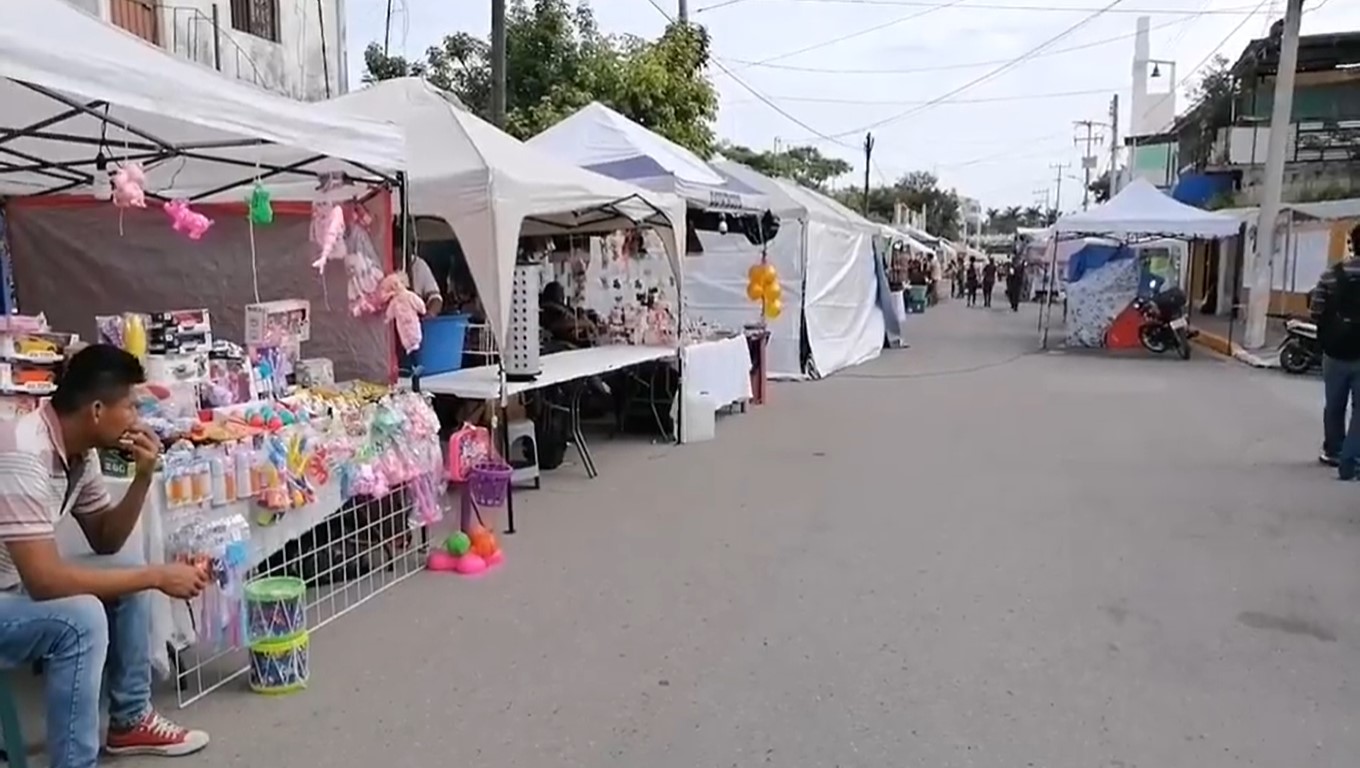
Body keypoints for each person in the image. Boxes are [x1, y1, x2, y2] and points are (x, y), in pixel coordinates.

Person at [0, 345, 210, 768]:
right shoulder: (24, 452)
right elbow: (46, 581)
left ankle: (130, 720)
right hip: (11, 592)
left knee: (126, 574)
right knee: (82, 619)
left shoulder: (80, 454)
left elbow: (105, 540)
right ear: (97, 409)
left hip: (13, 586)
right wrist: (157, 577)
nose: (137, 418)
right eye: (130, 406)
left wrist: (143, 476)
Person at [1311, 224, 1360, 476]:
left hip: (1336, 350)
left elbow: (1316, 311)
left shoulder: (1332, 274)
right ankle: (1352, 460)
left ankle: (1333, 451)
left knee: (1334, 404)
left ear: (1352, 242)